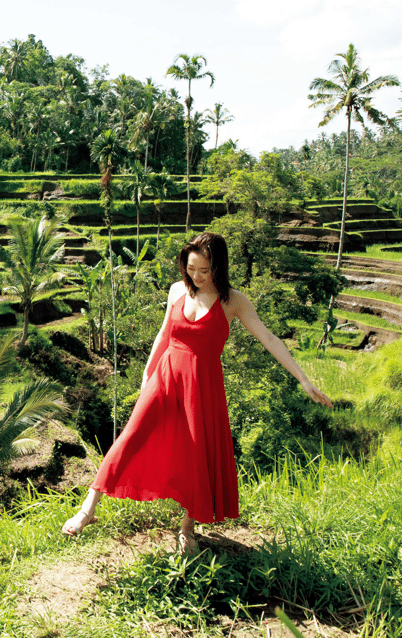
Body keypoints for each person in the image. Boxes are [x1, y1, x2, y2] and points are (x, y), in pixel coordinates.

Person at [62, 232, 332, 552]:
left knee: (196, 453)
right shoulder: (177, 289)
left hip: (202, 385)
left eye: (205, 270)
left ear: (219, 267)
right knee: (130, 436)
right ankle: (87, 510)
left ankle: (187, 528)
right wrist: (148, 375)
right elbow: (164, 334)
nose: (197, 276)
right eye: (192, 268)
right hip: (165, 375)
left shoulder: (234, 300)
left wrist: (302, 378)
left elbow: (270, 339)